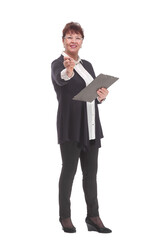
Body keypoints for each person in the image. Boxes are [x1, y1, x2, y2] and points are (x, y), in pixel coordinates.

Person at [51, 22, 112, 233]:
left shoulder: (88, 65)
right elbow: (61, 81)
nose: (73, 41)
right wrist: (68, 70)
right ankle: (65, 216)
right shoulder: (58, 64)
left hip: (91, 126)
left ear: (82, 42)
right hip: (70, 126)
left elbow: (92, 95)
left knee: (91, 173)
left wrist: (101, 97)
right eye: (69, 37)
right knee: (69, 172)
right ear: (63, 41)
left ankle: (93, 217)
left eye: (77, 38)